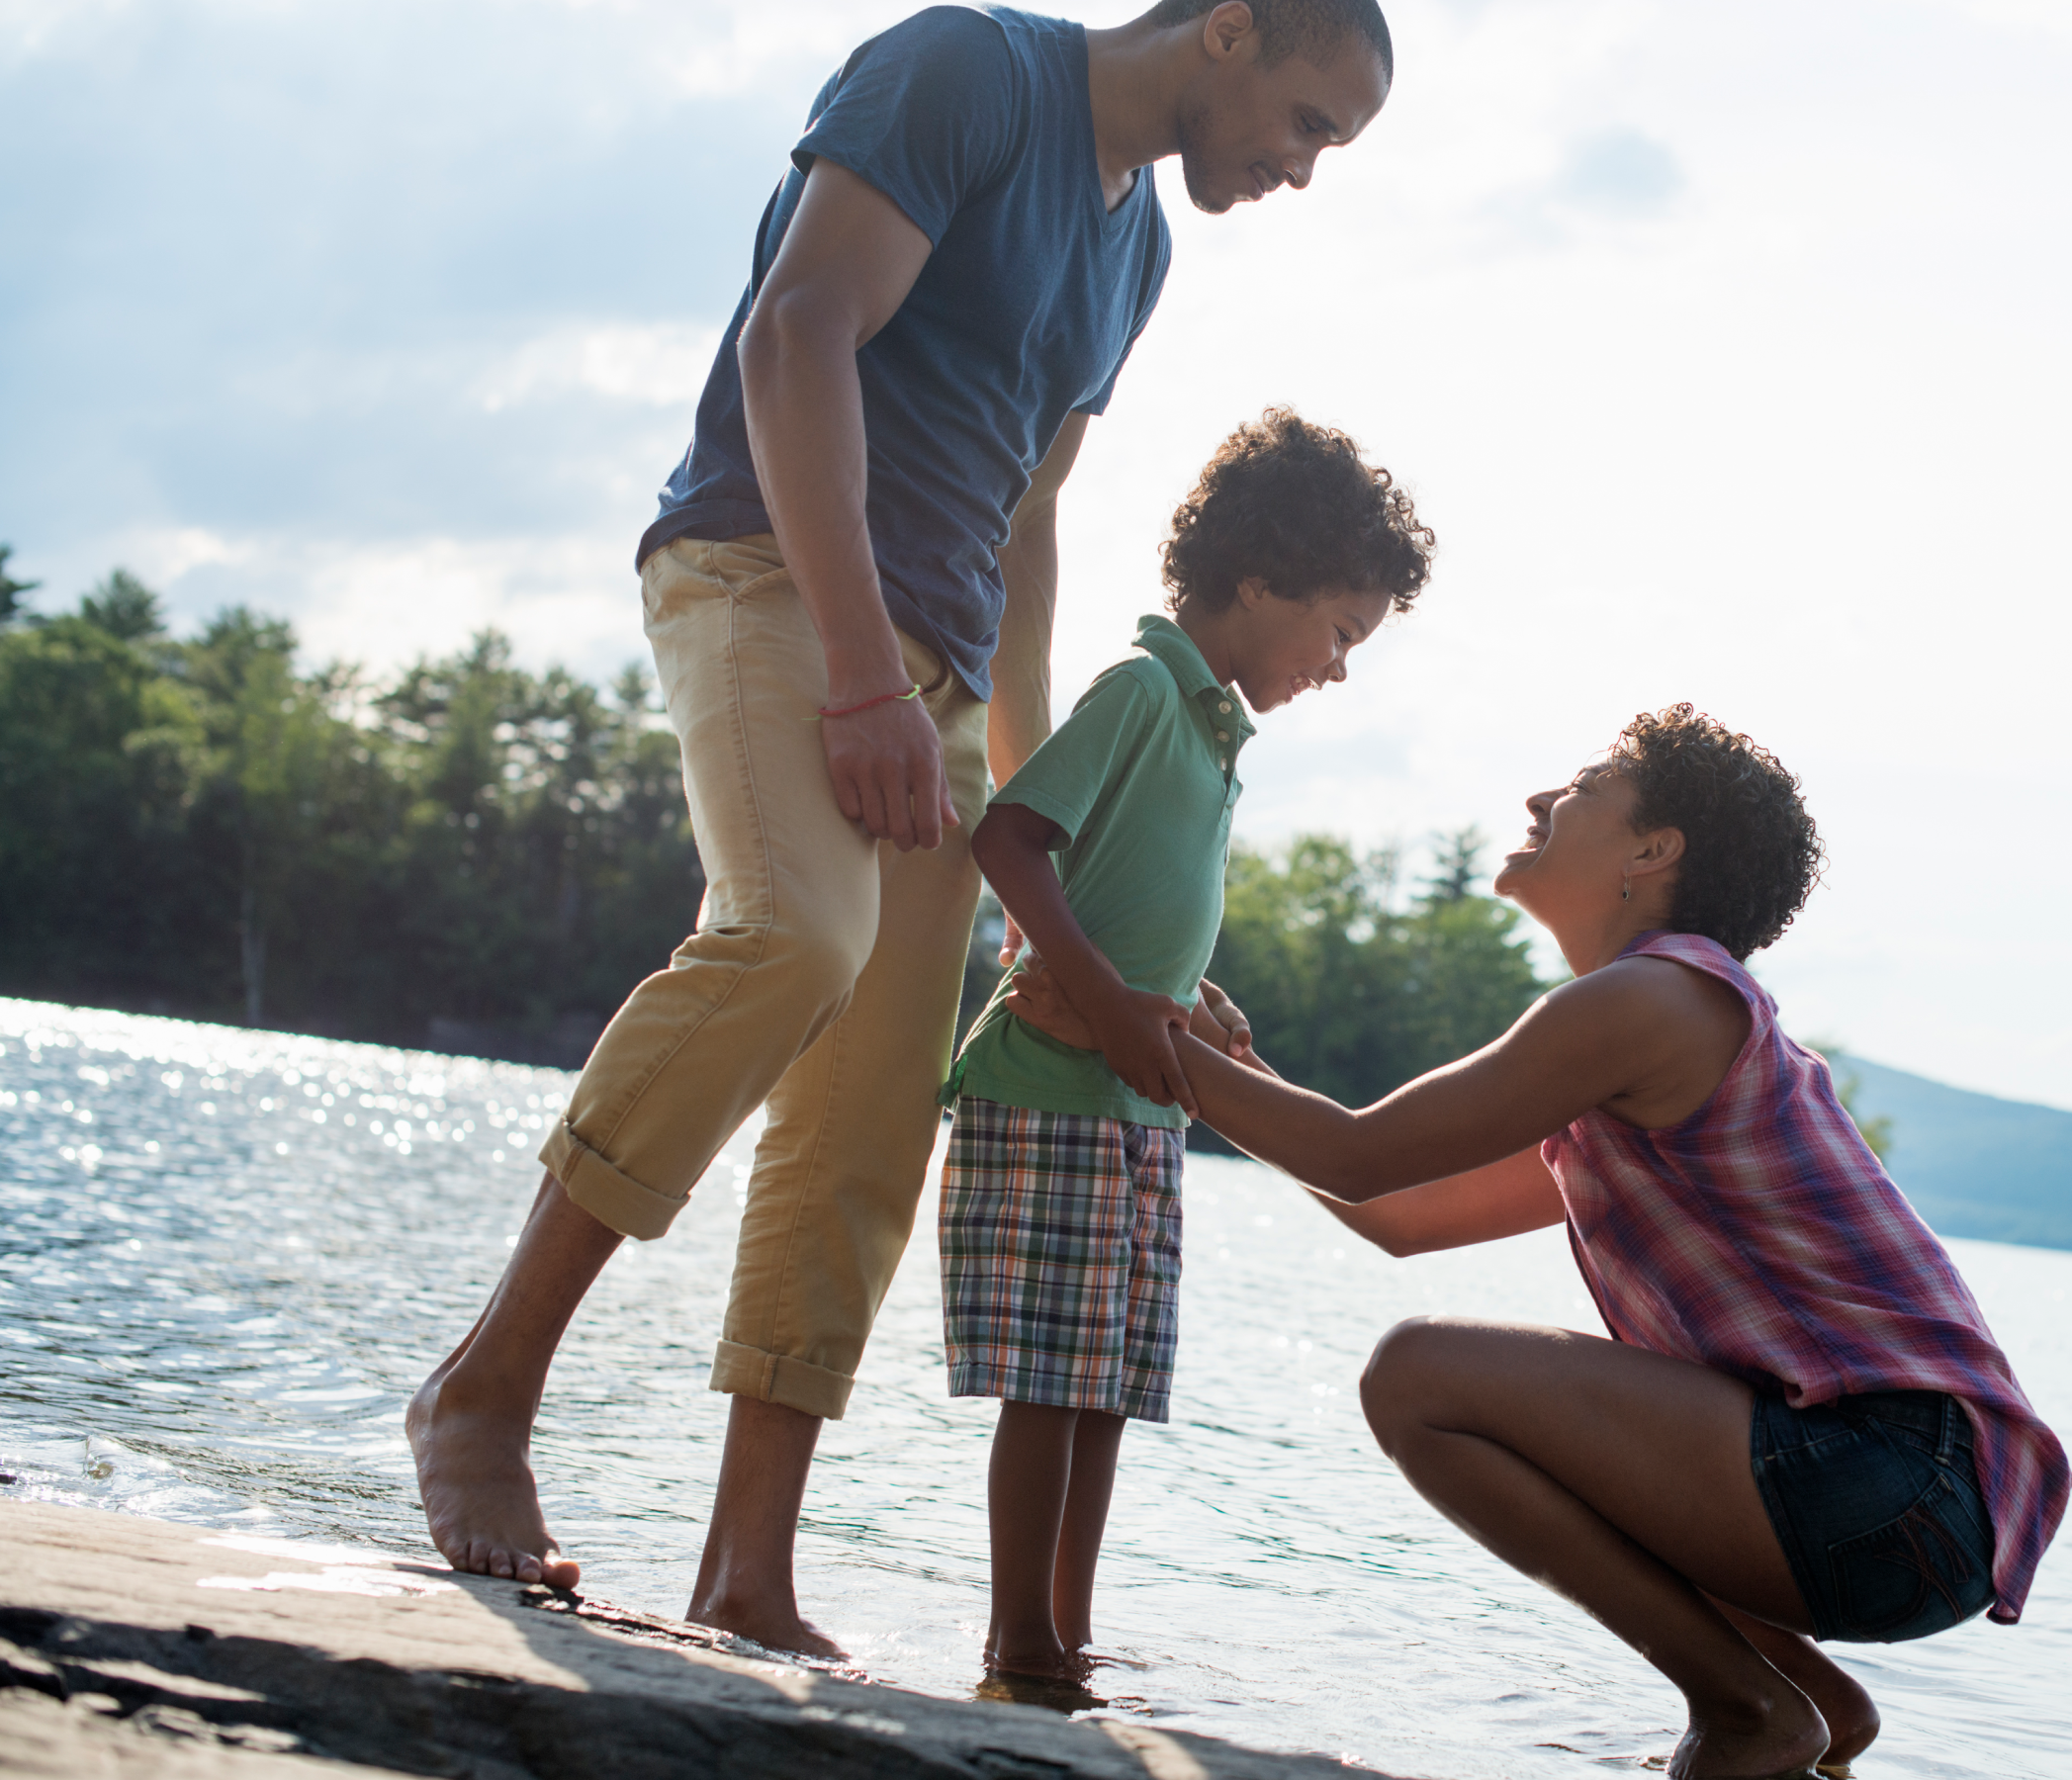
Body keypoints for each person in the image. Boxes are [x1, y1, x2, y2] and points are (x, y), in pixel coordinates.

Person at [405, 0, 1397, 1657]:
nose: (1300, 172)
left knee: (871, 1112)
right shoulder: (965, 73)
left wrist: (1031, 839)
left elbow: (1029, 522)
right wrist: (862, 674)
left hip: (930, 679)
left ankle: (745, 1569)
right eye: (1307, 122)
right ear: (1228, 29)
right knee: (797, 935)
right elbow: (794, 336)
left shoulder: (1137, 248)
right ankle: (484, 1391)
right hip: (767, 579)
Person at [1010, 707, 2072, 1780]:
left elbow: (1359, 1156)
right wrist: (1234, 1062)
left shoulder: (1653, 1001)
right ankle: (1807, 1704)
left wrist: (1115, 1015)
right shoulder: (1643, 1040)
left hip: (1892, 1481)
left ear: (1654, 851)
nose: (1540, 801)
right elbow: (1397, 1214)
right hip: (1913, 1514)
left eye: (1585, 782)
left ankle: (1747, 1704)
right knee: (1460, 1388)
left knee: (1419, 1376)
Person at [944, 407, 1432, 1692]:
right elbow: (1010, 840)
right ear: (1260, 581)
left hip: (1140, 1109)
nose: (1336, 666)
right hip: (1049, 1087)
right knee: (1048, 1384)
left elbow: (1123, 894)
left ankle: (1068, 1625)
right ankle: (1019, 1639)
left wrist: (1183, 996)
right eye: (1337, 631)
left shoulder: (1215, 739)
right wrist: (1105, 1000)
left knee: (1108, 1390)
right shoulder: (1145, 692)